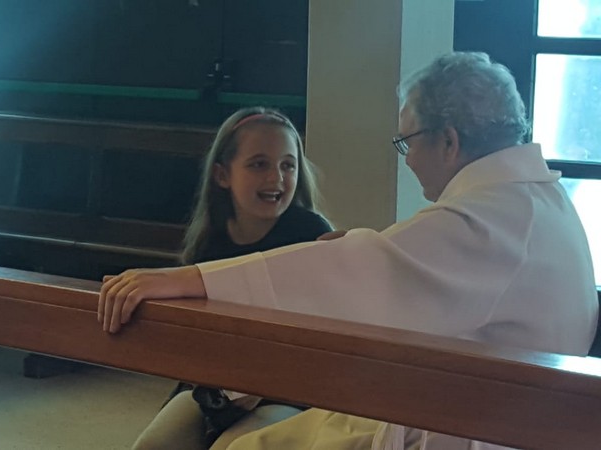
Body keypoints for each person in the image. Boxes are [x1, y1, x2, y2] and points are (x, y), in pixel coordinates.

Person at [98, 52, 598, 449]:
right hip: (489, 408)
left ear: (448, 141)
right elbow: (391, 270)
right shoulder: (530, 199)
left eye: (407, 142)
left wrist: (189, 279)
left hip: (475, 425)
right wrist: (369, 251)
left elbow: (363, 271)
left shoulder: (491, 216)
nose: (408, 160)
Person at [131, 106, 333, 450]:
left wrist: (259, 382)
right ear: (223, 175)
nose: (276, 178)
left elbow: (325, 340)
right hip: (216, 386)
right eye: (259, 164)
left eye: (288, 165)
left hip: (290, 390)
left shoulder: (310, 233)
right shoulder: (210, 241)